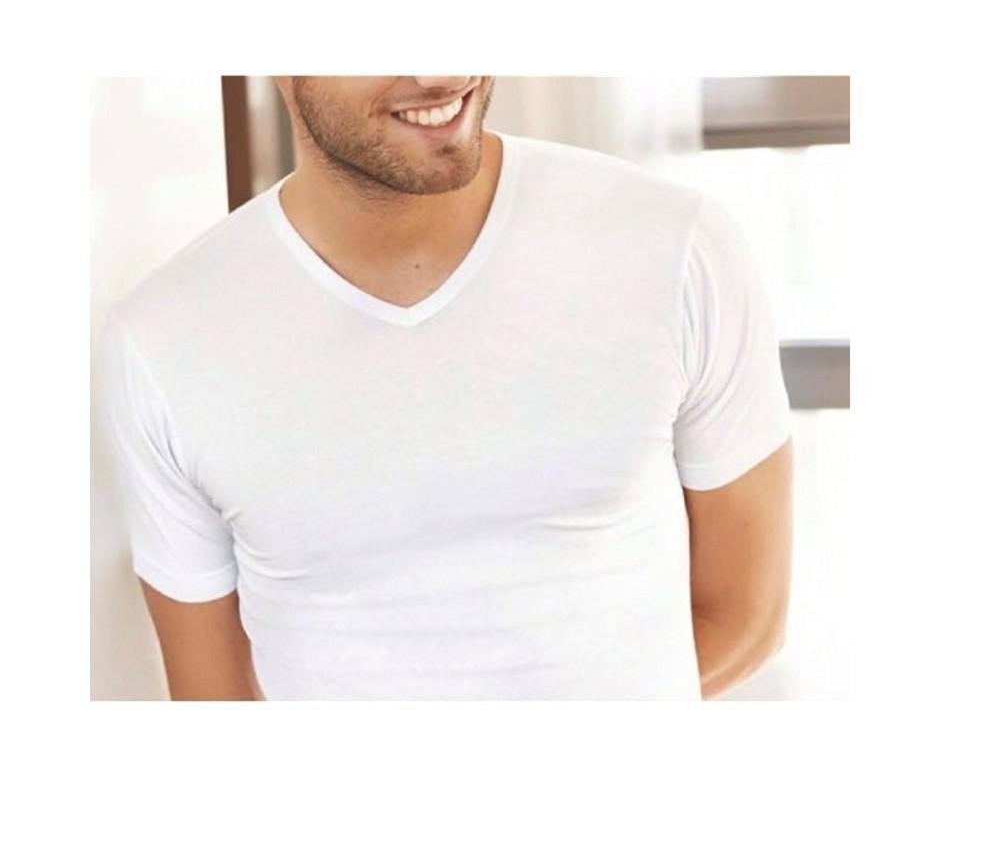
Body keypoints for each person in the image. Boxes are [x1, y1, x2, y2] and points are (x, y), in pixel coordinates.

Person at [95, 75, 794, 701]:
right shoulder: (163, 340)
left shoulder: (675, 245)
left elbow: (747, 615)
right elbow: (213, 698)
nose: (441, 74)